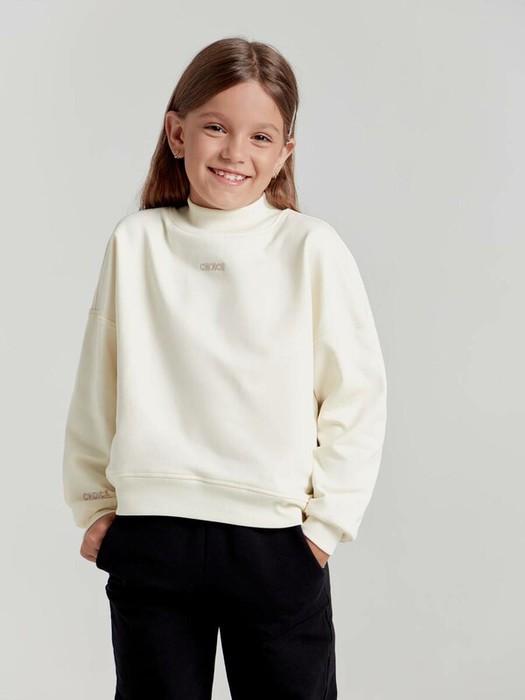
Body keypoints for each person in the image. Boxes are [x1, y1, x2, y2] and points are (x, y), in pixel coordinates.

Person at [62, 36, 387, 700]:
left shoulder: (310, 248)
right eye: (216, 127)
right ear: (176, 133)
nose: (236, 151)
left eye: (260, 136)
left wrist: (323, 529)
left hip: (275, 543)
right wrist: (93, 503)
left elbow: (355, 396)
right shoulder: (137, 243)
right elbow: (99, 382)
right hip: (153, 536)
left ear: (284, 153)